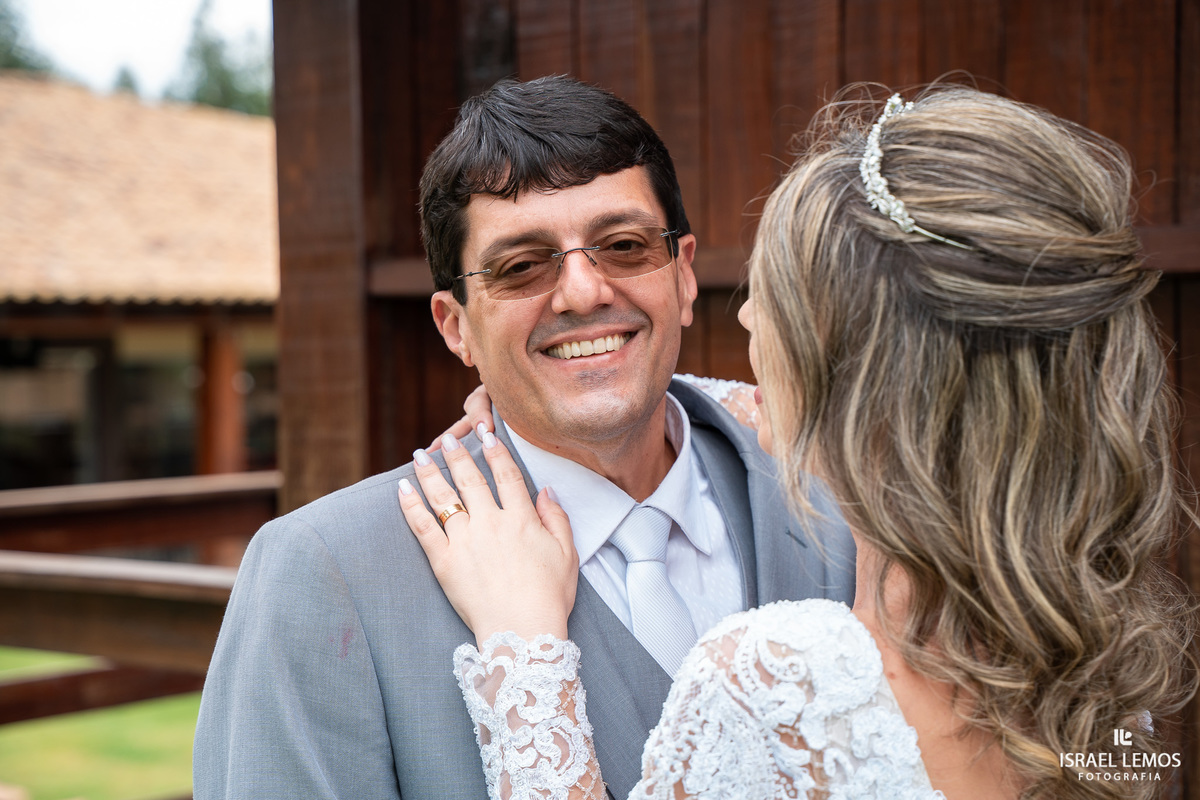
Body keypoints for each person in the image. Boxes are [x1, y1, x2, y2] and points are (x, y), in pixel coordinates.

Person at [399, 86, 1199, 799]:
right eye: (521, 269)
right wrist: (585, 378)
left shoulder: (784, 674)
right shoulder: (1099, 669)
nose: (744, 321)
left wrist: (524, 647)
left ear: (856, 380)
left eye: (774, 302)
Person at [192, 75, 854, 800]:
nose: (583, 292)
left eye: (625, 245)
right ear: (456, 325)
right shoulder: (326, 571)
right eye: (520, 267)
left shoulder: (847, 496)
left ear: (684, 275)